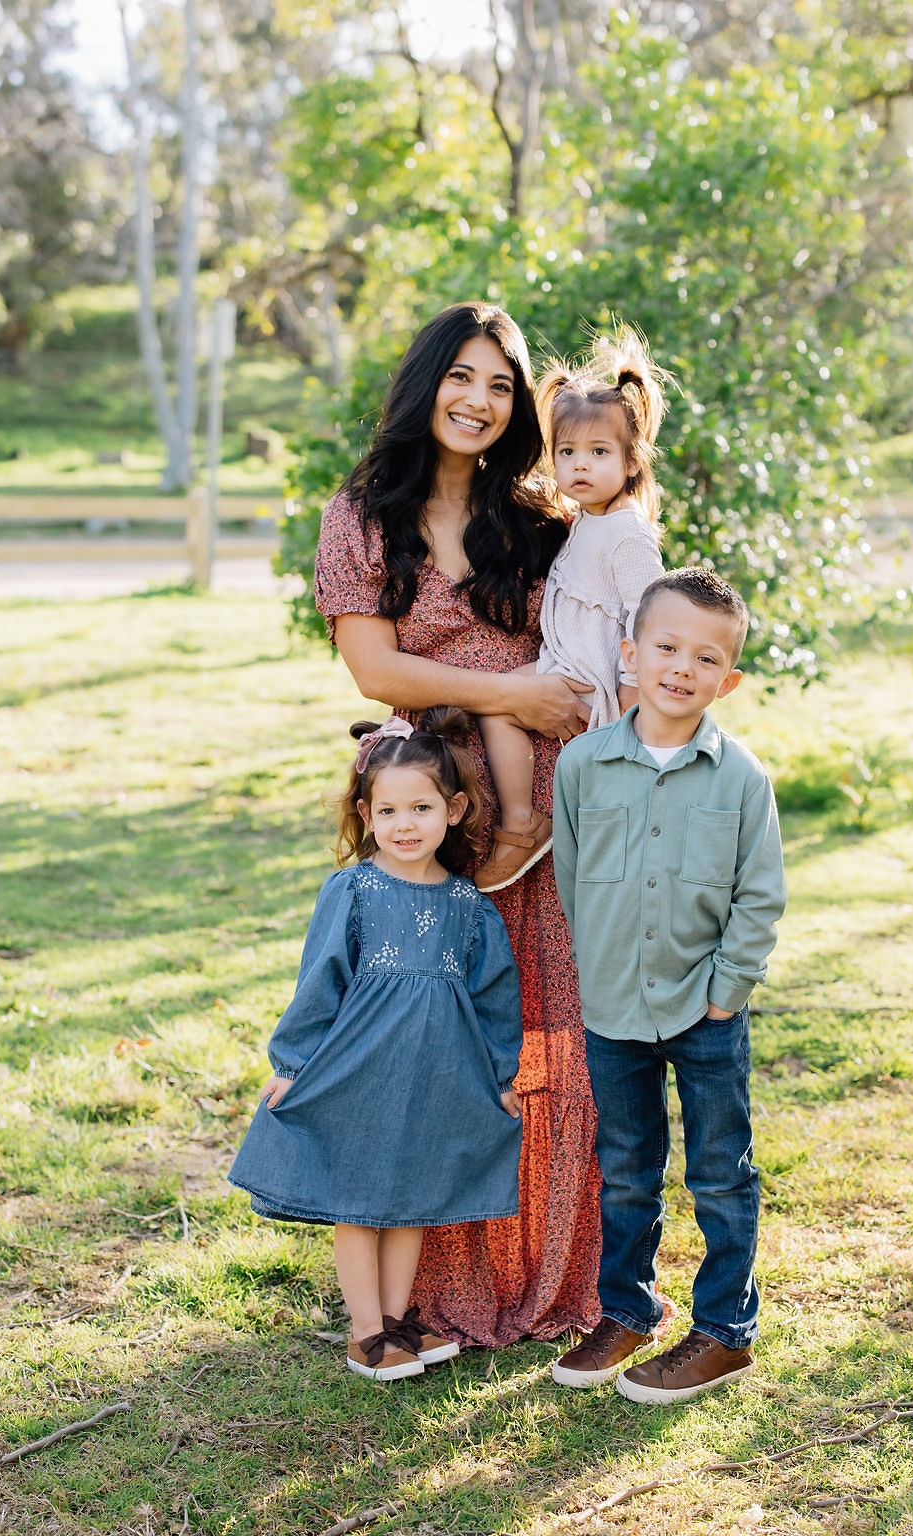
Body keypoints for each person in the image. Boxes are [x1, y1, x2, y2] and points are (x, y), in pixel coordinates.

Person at [313, 301, 602, 1348]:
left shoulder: (537, 519)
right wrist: (505, 696)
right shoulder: (363, 513)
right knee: (437, 1042)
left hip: (549, 817)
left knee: (547, 1029)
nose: (478, 401)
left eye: (499, 385)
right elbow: (373, 667)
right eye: (462, 377)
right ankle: (430, 1285)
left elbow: (606, 617)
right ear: (426, 379)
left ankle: (550, 1267)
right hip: (433, 814)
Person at [228, 707, 524, 1382]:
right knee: (358, 1198)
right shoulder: (355, 891)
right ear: (365, 814)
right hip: (360, 1069)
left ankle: (397, 1324)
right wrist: (293, 1064)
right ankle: (366, 1332)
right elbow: (320, 979)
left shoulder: (468, 905)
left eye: (420, 808)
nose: (405, 825)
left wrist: (499, 1075)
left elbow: (494, 997)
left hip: (436, 1073)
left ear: (452, 810)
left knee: (414, 1195)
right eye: (387, 812)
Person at [551, 567, 787, 1404]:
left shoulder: (740, 778)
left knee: (721, 1171)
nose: (682, 667)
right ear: (631, 652)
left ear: (729, 679)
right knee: (627, 1168)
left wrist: (727, 990)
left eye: (706, 656)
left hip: (705, 1008)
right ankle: (626, 1310)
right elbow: (574, 878)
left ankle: (724, 1332)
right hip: (614, 1006)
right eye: (666, 647)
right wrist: (596, 970)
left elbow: (759, 894)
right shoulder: (582, 765)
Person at [473, 333, 668, 893]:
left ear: (632, 460)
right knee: (496, 702)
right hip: (573, 664)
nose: (580, 466)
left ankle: (519, 826)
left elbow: (648, 618)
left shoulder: (628, 532)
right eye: (567, 453)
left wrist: (633, 698)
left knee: (498, 707)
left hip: (593, 677)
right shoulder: (587, 518)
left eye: (599, 453)